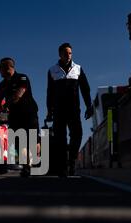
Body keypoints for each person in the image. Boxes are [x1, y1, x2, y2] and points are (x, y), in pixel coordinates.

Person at [46, 43, 93, 177]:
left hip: (74, 109)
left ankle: (71, 161)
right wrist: (49, 111)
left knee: (77, 135)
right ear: (60, 54)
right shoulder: (52, 70)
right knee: (60, 139)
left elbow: (85, 89)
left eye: (70, 53)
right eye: (66, 53)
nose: (68, 55)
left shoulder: (78, 69)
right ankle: (62, 167)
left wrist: (89, 106)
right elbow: (49, 93)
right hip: (58, 111)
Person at [0, 57, 39, 177]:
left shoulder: (22, 78)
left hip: (29, 113)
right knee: (18, 141)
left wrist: (6, 105)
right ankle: (26, 166)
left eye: (0, 68)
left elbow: (19, 93)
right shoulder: (2, 84)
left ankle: (31, 162)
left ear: (8, 67)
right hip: (14, 116)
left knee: (31, 140)